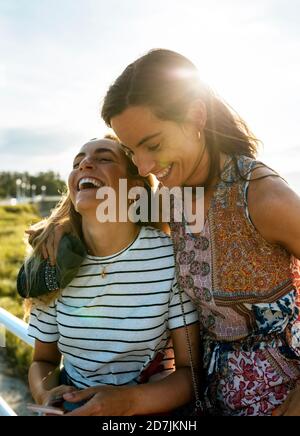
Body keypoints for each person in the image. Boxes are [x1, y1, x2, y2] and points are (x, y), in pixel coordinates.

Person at [98, 49, 300, 416]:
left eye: (153, 145)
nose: (144, 166)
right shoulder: (170, 197)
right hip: (203, 396)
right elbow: (111, 221)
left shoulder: (264, 196)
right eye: (131, 151)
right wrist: (56, 231)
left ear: (195, 116)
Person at [25, 137, 200, 416]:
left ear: (134, 190)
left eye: (104, 158)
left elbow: (190, 373)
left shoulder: (170, 258)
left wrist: (127, 402)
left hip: (151, 408)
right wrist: (45, 394)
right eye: (77, 162)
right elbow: (43, 361)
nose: (84, 163)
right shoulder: (53, 260)